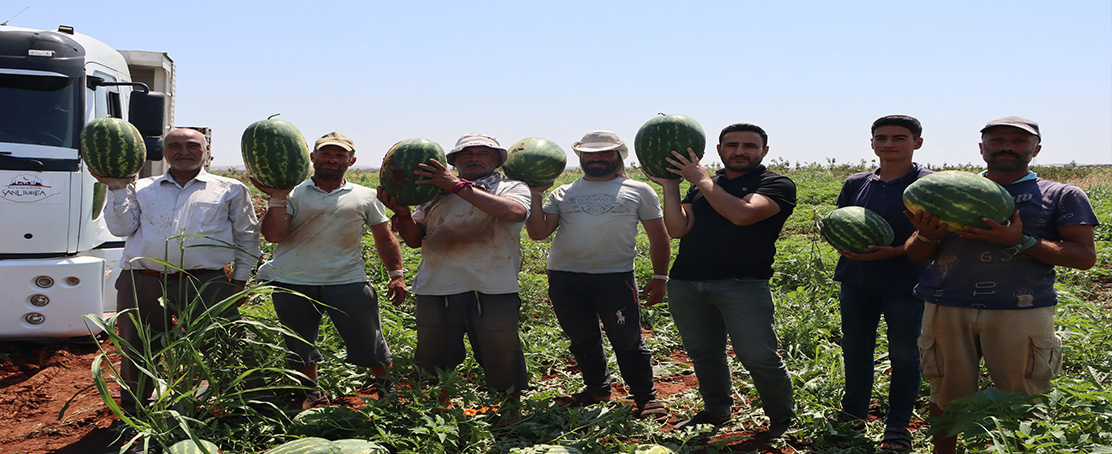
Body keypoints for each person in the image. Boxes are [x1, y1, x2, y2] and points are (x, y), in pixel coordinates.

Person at [905, 116, 1098, 454]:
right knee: (945, 393)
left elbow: (1083, 257)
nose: (1007, 146)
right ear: (982, 149)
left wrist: (1019, 240)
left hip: (1021, 307)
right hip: (947, 304)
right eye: (997, 140)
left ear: (1036, 149)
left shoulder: (1062, 194)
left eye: (1019, 141)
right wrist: (927, 234)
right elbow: (916, 253)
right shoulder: (949, 188)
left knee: (1023, 397)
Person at [94, 127, 262, 414]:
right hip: (142, 280)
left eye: (192, 145)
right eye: (175, 145)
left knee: (225, 341)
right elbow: (121, 228)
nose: (184, 151)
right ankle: (137, 412)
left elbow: (248, 236)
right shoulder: (140, 187)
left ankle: (246, 405)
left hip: (204, 281)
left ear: (206, 150)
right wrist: (115, 187)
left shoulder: (231, 189)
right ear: (164, 152)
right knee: (138, 347)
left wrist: (239, 281)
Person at [649, 123, 795, 437]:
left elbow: (742, 214)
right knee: (704, 353)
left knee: (759, 356)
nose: (740, 151)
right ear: (719, 150)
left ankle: (781, 418)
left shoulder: (777, 184)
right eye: (732, 145)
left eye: (749, 146)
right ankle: (716, 410)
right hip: (687, 282)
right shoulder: (703, 185)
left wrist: (700, 179)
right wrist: (671, 186)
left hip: (742, 284)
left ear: (764, 151)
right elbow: (678, 229)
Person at [253, 132, 408, 409]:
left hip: (347, 280)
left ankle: (387, 389)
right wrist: (277, 198)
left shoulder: (365, 196)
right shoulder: (291, 192)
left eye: (340, 155)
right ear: (313, 158)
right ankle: (311, 393)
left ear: (352, 160)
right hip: (293, 280)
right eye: (325, 154)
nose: (332, 159)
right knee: (299, 344)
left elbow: (385, 238)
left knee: (369, 338)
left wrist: (397, 275)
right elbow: (275, 235)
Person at [378, 133, 531, 412]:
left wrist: (458, 186)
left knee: (501, 353)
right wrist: (401, 214)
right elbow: (414, 239)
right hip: (437, 287)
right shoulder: (435, 195)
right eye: (465, 154)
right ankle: (441, 407)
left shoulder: (511, 187)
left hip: (493, 286)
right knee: (435, 356)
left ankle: (510, 409)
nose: (474, 158)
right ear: (454, 162)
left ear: (496, 160)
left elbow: (514, 213)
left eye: (483, 153)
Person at [524, 130, 670, 420]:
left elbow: (659, 236)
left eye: (605, 153)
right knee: (581, 338)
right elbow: (538, 233)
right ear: (581, 157)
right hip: (565, 277)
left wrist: (660, 276)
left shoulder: (639, 190)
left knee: (627, 339)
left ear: (618, 156)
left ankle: (645, 397)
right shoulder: (563, 192)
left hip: (614, 278)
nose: (597, 158)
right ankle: (597, 389)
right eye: (590, 154)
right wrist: (536, 194)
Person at [833, 115, 931, 451]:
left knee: (904, 355)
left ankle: (898, 424)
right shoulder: (856, 183)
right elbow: (841, 221)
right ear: (872, 142)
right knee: (856, 349)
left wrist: (890, 252)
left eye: (899, 138)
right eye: (881, 137)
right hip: (857, 280)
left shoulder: (929, 184)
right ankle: (853, 412)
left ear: (917, 143)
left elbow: (937, 236)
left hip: (908, 283)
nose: (889, 144)